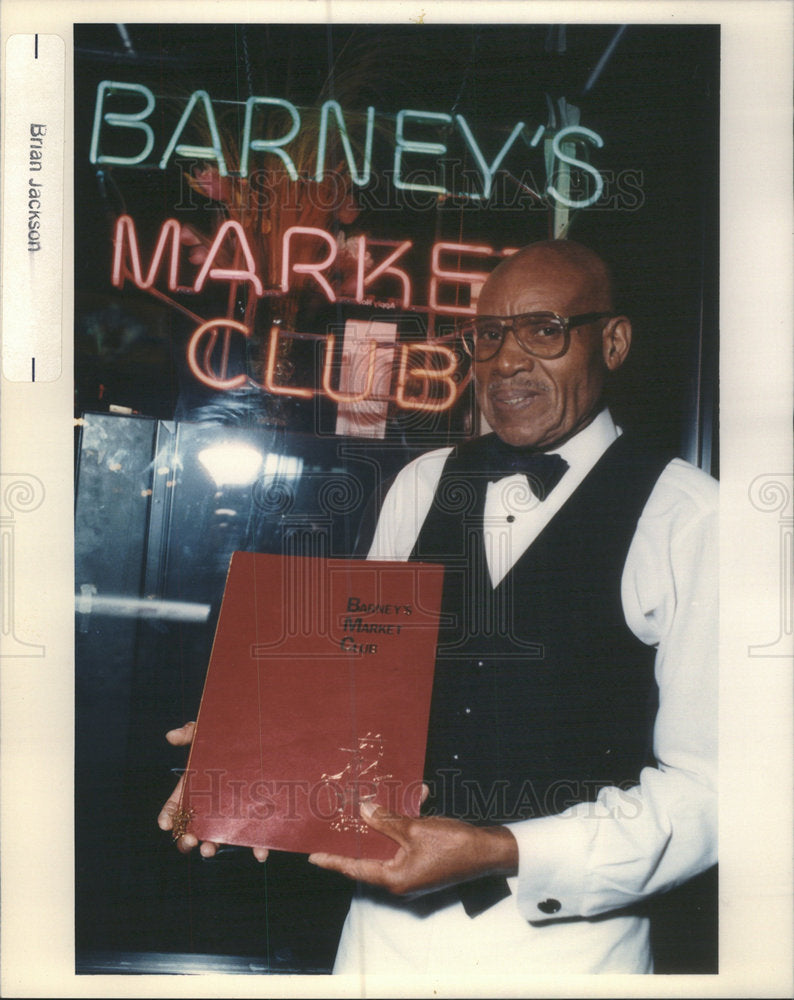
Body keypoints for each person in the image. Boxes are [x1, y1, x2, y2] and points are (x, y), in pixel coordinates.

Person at [160, 239, 717, 975]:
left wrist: (507, 850)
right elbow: (367, 693)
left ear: (612, 343)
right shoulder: (424, 482)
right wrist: (257, 749)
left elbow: (714, 794)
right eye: (488, 336)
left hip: (574, 953)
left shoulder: (693, 519)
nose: (508, 361)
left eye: (543, 330)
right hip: (382, 937)